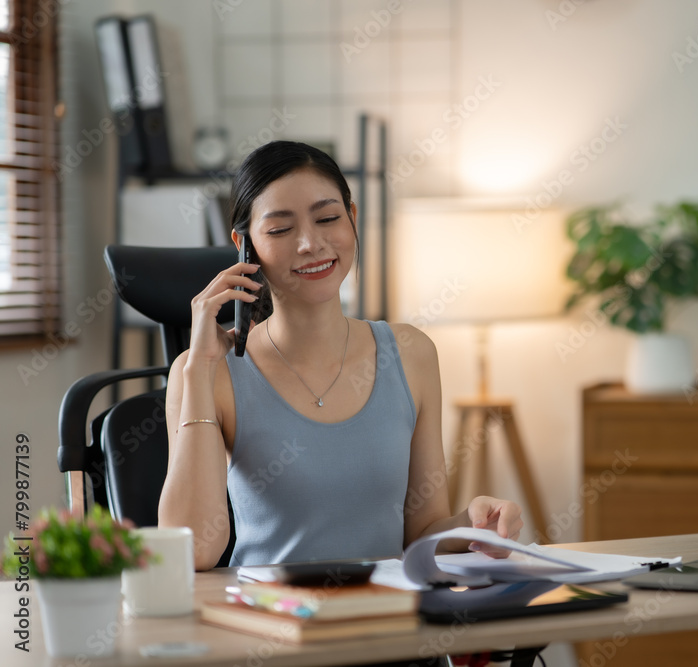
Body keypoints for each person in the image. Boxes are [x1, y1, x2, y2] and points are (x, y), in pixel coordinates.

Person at [158, 141, 522, 571]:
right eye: (279, 230)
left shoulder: (411, 354)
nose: (311, 243)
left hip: (384, 624)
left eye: (328, 218)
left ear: (351, 218)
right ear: (245, 245)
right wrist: (199, 369)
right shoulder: (207, 372)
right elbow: (194, 551)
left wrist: (472, 525)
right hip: (272, 624)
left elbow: (422, 535)